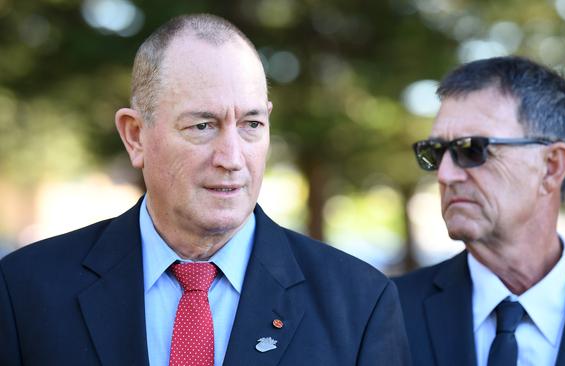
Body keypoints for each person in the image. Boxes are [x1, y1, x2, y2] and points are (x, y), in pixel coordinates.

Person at [0, 14, 410, 366]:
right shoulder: (24, 292)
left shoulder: (360, 303)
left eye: (251, 125)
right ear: (135, 136)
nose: (231, 157)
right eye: (202, 126)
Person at [394, 56, 565, 366]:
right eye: (434, 153)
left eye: (471, 149)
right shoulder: (388, 313)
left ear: (551, 166)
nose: (446, 175)